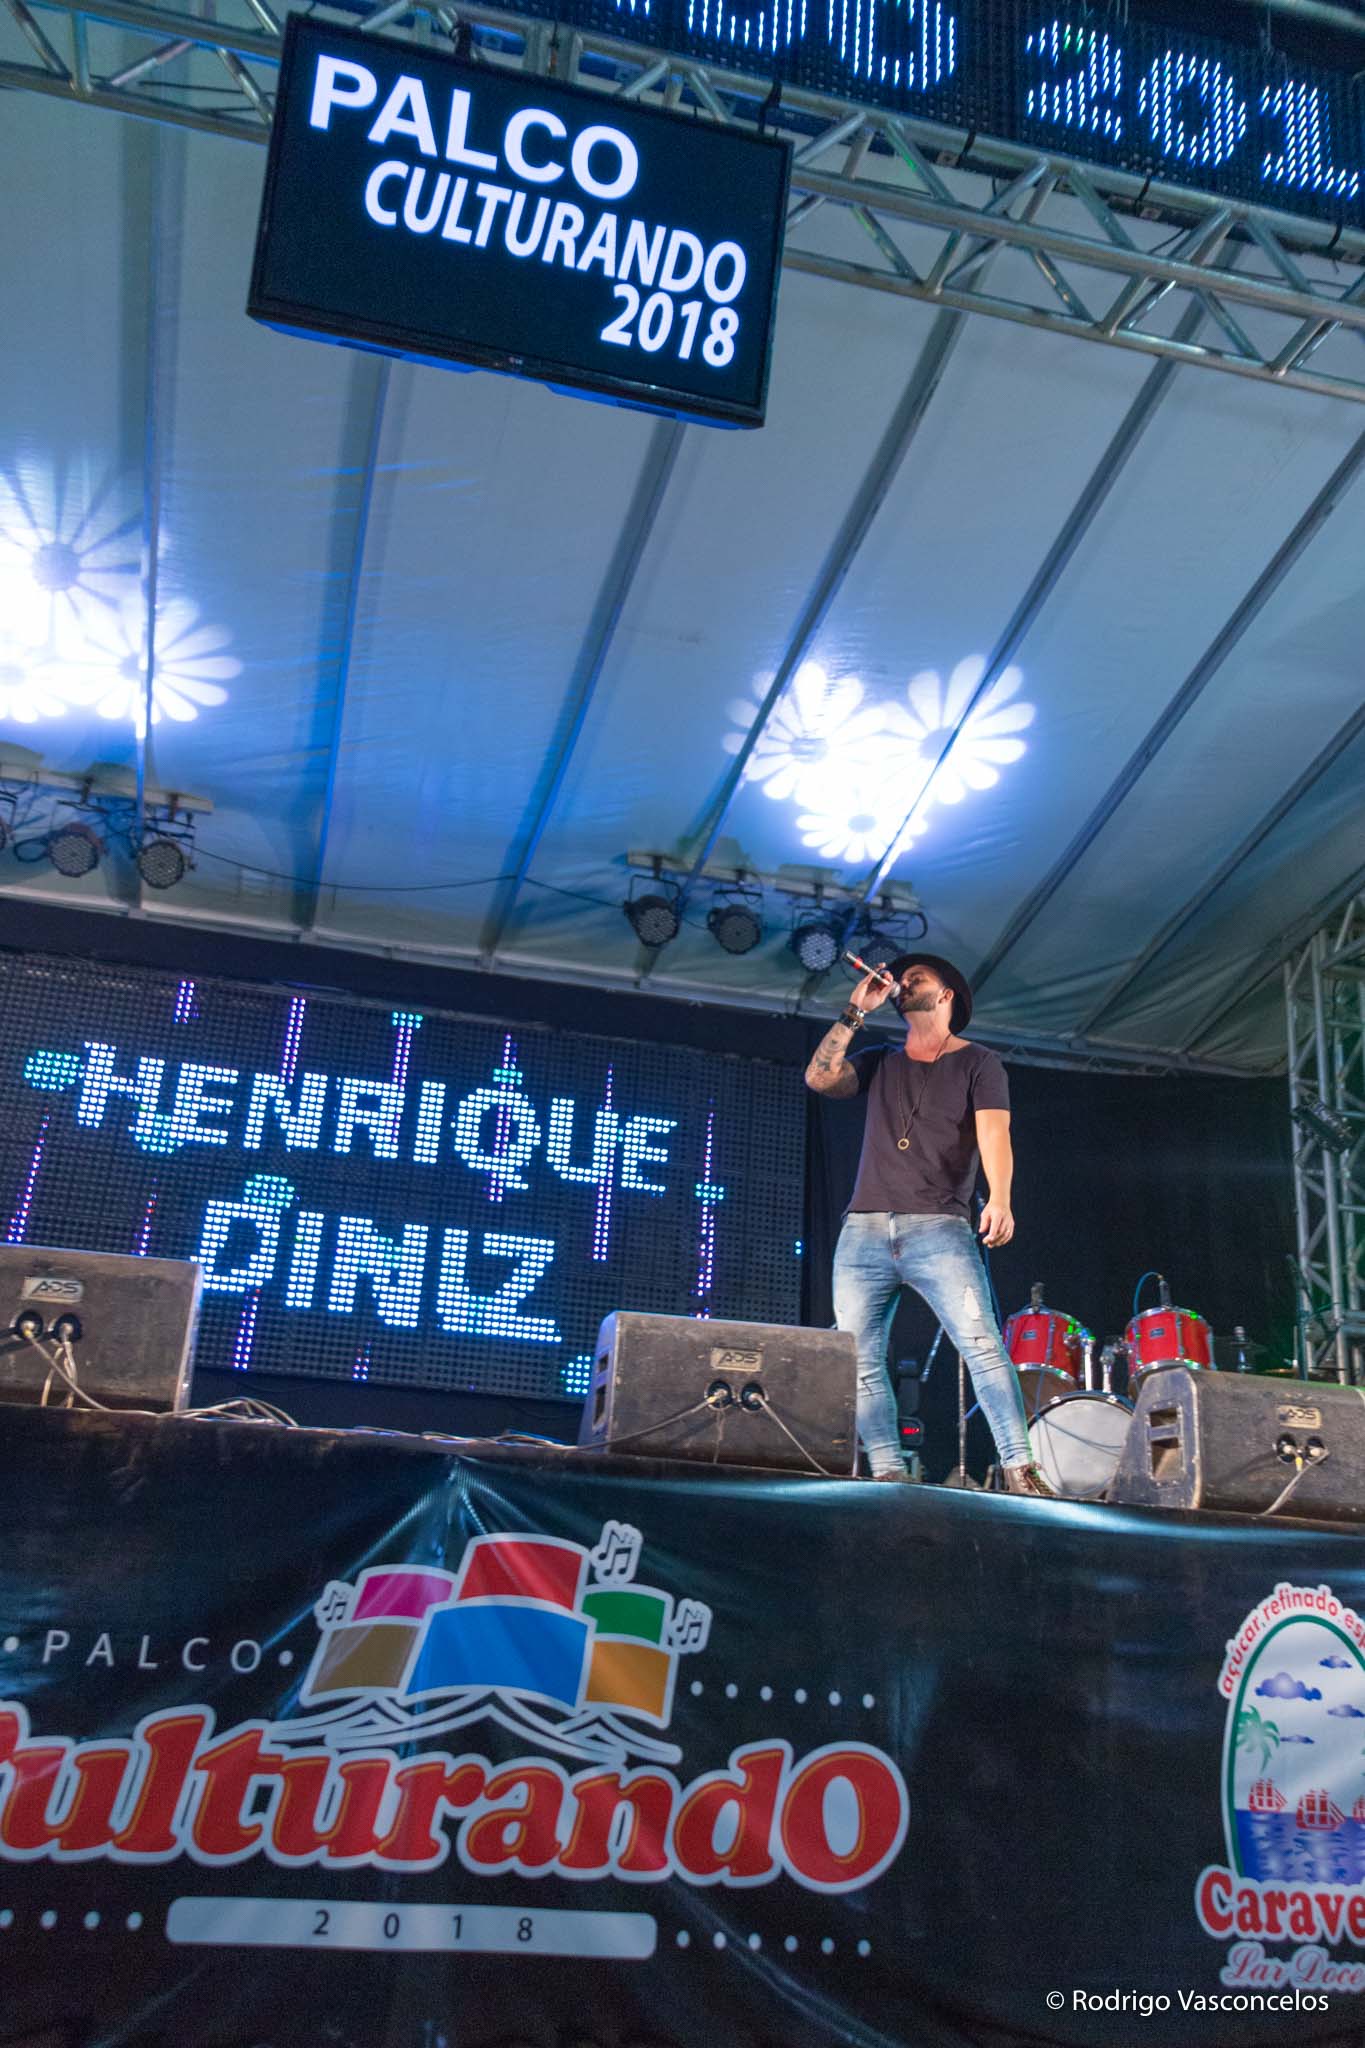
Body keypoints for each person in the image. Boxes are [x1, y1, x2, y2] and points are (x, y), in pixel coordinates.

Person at [804, 952, 1053, 1497]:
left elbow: (994, 1134)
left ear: (946, 995)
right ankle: (887, 1473)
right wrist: (855, 1011)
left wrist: (1001, 1198)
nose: (903, 980)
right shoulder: (880, 1060)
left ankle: (1020, 1467)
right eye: (902, 976)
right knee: (860, 1358)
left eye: (918, 976)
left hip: (939, 1229)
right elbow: (819, 1077)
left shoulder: (979, 1062)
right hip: (864, 1230)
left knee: (982, 1346)